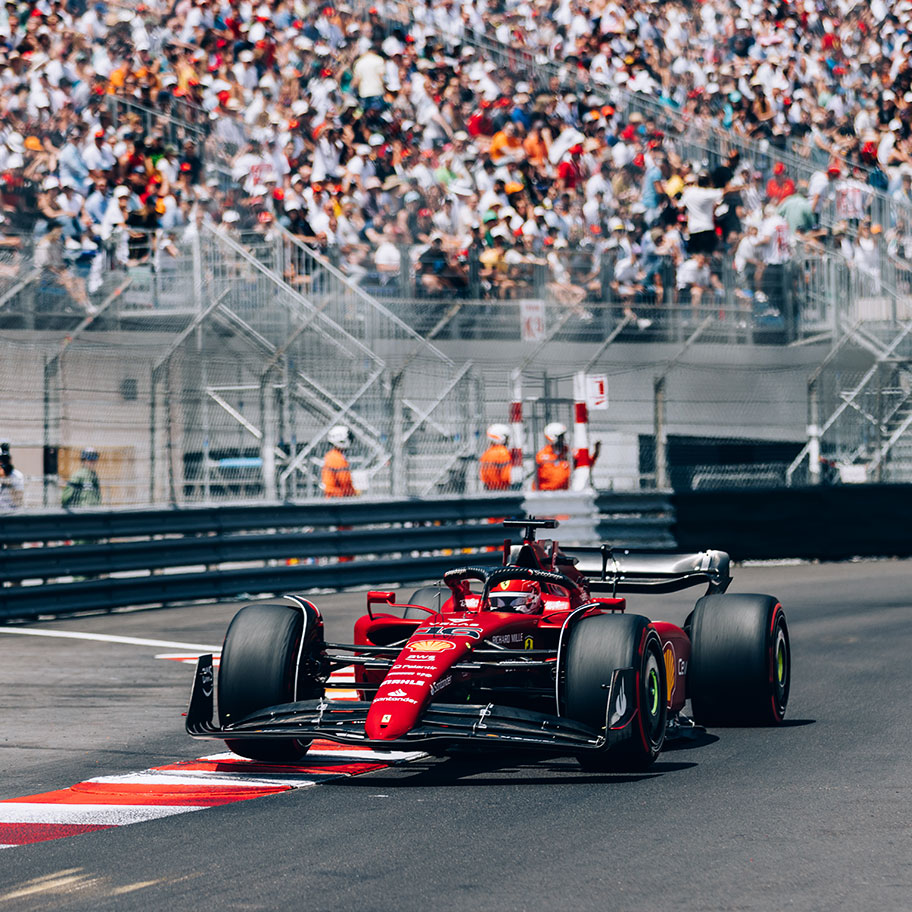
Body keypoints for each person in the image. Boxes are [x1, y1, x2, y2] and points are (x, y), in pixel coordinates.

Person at [322, 425, 358, 498]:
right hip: (338, 497)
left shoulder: (331, 455)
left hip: (335, 496)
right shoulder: (337, 459)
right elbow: (344, 482)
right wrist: (354, 493)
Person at [536, 422, 571, 491]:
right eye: (561, 437)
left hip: (564, 492)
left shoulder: (567, 452)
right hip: (546, 493)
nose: (563, 439)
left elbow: (581, 463)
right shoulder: (542, 455)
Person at [479, 424, 512, 491]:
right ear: (501, 438)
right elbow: (506, 476)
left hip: (490, 489)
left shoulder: (487, 454)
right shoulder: (503, 453)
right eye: (507, 438)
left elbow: (483, 476)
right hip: (503, 490)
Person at [0, 441, 24, 511]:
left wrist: (9, 484)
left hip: (12, 511)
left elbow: (19, 499)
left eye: (5, 460)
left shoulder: (17, 475)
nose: (3, 463)